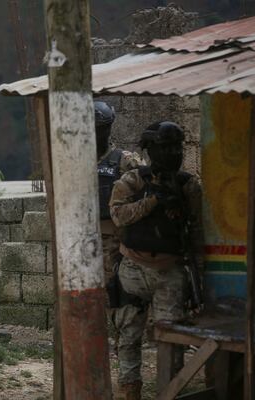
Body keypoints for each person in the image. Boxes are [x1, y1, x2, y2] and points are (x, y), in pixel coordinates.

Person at [109, 121, 203, 400]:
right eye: (166, 148)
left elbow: (197, 231)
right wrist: (151, 202)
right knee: (127, 337)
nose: (174, 153)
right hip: (133, 270)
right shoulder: (132, 181)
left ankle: (169, 391)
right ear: (151, 150)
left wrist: (201, 272)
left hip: (170, 272)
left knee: (171, 340)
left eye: (177, 147)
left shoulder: (188, 185)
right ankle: (130, 392)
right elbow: (118, 216)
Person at [94, 100, 143, 282]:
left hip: (116, 239)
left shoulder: (125, 160)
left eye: (101, 128)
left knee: (114, 287)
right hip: (83, 237)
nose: (97, 134)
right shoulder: (75, 161)